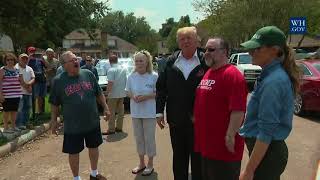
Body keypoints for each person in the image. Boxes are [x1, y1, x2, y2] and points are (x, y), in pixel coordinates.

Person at [239, 26, 301, 180]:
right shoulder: (271, 75)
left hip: (268, 153)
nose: (250, 52)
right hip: (267, 153)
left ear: (274, 50)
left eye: (257, 48)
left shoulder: (274, 81)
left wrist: (248, 170)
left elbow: (266, 130)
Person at [156, 26, 208, 180]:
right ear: (178, 42)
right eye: (182, 39)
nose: (185, 41)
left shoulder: (206, 61)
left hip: (200, 121)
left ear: (196, 40)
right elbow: (161, 88)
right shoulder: (170, 62)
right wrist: (159, 112)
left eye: (189, 38)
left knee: (198, 158)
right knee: (179, 157)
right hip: (176, 120)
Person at [49, 51, 110, 180]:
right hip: (73, 125)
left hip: (92, 121)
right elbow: (54, 103)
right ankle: (76, 178)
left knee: (94, 147)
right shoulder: (59, 81)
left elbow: (99, 93)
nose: (76, 61)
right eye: (72, 60)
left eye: (76, 59)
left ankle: (94, 174)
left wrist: (105, 108)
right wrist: (54, 120)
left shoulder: (88, 74)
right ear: (64, 65)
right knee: (73, 152)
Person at [193, 37, 248, 180]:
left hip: (223, 151)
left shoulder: (233, 75)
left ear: (225, 52)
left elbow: (238, 110)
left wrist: (230, 135)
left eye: (211, 50)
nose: (206, 53)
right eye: (206, 49)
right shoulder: (209, 72)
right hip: (207, 147)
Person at [126, 50, 158, 176]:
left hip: (149, 113)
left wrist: (146, 96)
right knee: (139, 138)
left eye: (141, 61)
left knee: (149, 139)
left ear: (147, 62)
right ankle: (141, 163)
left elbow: (159, 93)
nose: (139, 63)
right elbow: (127, 91)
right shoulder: (131, 76)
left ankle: (150, 163)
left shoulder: (154, 76)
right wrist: (133, 96)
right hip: (136, 113)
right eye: (137, 61)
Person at [103, 53, 127, 135]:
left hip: (113, 94)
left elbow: (110, 83)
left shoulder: (111, 70)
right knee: (120, 111)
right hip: (122, 93)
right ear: (117, 60)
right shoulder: (123, 69)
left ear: (110, 62)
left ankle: (111, 129)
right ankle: (119, 128)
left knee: (111, 112)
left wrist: (106, 93)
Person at [0, 53, 23, 133]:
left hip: (16, 94)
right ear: (5, 61)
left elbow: (20, 81)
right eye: (8, 60)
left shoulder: (17, 70)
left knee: (14, 111)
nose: (10, 61)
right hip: (6, 95)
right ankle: (6, 128)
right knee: (6, 111)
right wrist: (1, 94)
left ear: (14, 60)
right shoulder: (2, 70)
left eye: (11, 59)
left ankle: (13, 126)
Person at [15, 53, 35, 130]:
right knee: (20, 109)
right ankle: (18, 124)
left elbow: (33, 78)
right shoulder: (15, 67)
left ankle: (25, 123)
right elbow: (19, 80)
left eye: (26, 58)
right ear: (19, 59)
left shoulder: (29, 68)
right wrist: (27, 86)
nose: (24, 60)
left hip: (28, 92)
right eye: (23, 58)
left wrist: (28, 84)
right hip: (19, 92)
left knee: (28, 107)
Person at [27, 46, 48, 115]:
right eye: (31, 51)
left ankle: (40, 111)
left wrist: (43, 59)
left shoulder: (39, 60)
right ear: (28, 52)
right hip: (34, 80)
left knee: (41, 96)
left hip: (42, 79)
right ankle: (33, 112)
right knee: (34, 96)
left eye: (34, 51)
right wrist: (28, 58)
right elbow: (24, 67)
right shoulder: (27, 60)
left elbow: (47, 66)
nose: (33, 53)